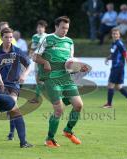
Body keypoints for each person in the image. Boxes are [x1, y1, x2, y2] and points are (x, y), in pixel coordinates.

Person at [33, 16, 83, 148]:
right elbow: (35, 56)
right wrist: (45, 62)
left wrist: (75, 67)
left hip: (66, 78)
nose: (65, 30)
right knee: (58, 109)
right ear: (56, 27)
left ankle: (68, 131)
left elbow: (70, 61)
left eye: (67, 28)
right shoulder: (47, 38)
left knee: (78, 105)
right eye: (62, 28)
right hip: (51, 78)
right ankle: (49, 139)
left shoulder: (69, 42)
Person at [103, 28, 127, 109]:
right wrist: (108, 58)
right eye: (113, 34)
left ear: (119, 35)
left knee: (110, 85)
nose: (115, 35)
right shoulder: (114, 44)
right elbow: (114, 55)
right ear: (112, 35)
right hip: (117, 67)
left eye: (116, 34)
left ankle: (109, 104)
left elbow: (126, 56)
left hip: (117, 67)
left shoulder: (119, 44)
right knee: (118, 87)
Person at [29, 20, 48, 104]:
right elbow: (33, 47)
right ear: (37, 28)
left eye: (42, 27)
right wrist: (30, 53)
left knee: (40, 79)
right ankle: (38, 96)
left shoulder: (47, 36)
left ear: (44, 29)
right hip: (36, 59)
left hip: (43, 59)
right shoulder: (35, 36)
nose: (40, 29)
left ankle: (36, 98)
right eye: (39, 27)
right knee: (37, 79)